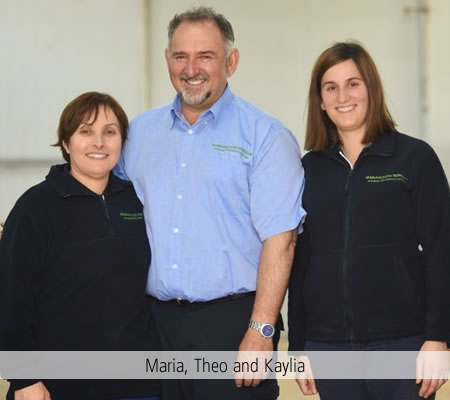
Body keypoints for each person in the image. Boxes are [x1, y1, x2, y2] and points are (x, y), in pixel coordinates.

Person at [114, 6, 305, 400]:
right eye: (181, 56)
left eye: (206, 56)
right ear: (168, 60)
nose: (191, 68)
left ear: (231, 61)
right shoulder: (137, 136)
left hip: (233, 326)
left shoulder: (265, 136)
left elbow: (281, 240)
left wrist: (261, 330)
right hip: (152, 325)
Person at [288, 41, 450, 399]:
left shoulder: (414, 159)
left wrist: (438, 337)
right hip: (328, 347)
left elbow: (442, 250)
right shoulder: (309, 169)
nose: (343, 96)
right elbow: (300, 262)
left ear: (371, 89)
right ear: (320, 101)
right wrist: (299, 346)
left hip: (402, 343)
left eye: (353, 83)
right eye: (331, 87)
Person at [0, 92, 160, 400]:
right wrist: (24, 379)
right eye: (86, 132)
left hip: (136, 386)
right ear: (66, 142)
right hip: (56, 386)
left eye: (109, 132)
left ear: (122, 142)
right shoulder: (35, 207)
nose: (98, 142)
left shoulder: (138, 201)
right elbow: (11, 300)